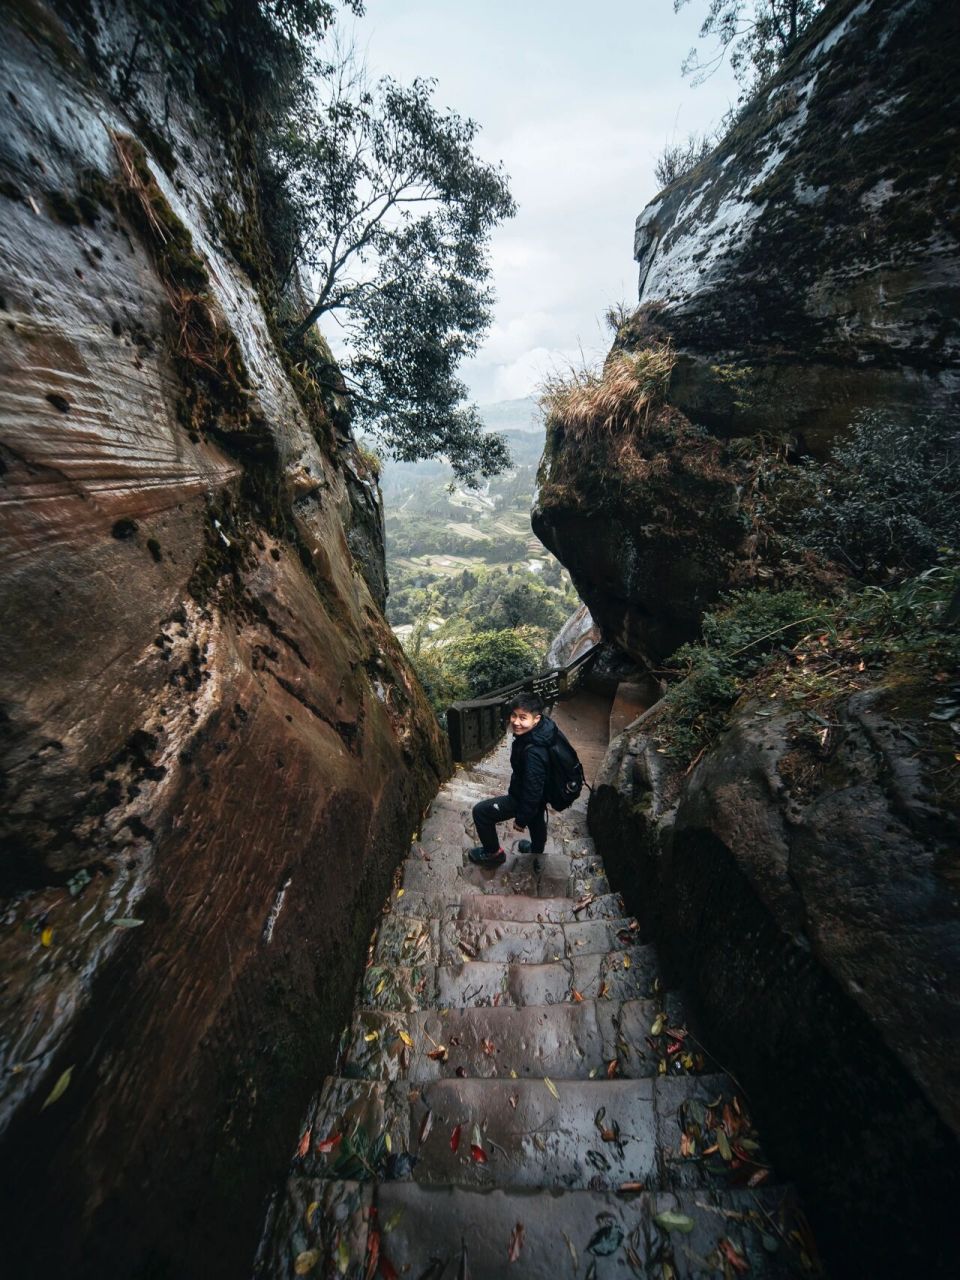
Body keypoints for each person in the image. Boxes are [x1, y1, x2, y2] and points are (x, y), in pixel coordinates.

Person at [468, 693, 557, 868]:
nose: (516, 722)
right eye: (514, 715)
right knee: (537, 814)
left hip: (523, 797)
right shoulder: (543, 731)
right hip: (540, 794)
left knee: (481, 812)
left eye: (523, 717)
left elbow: (532, 791)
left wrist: (521, 819)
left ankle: (493, 854)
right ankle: (536, 851)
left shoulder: (533, 753)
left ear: (536, 719)